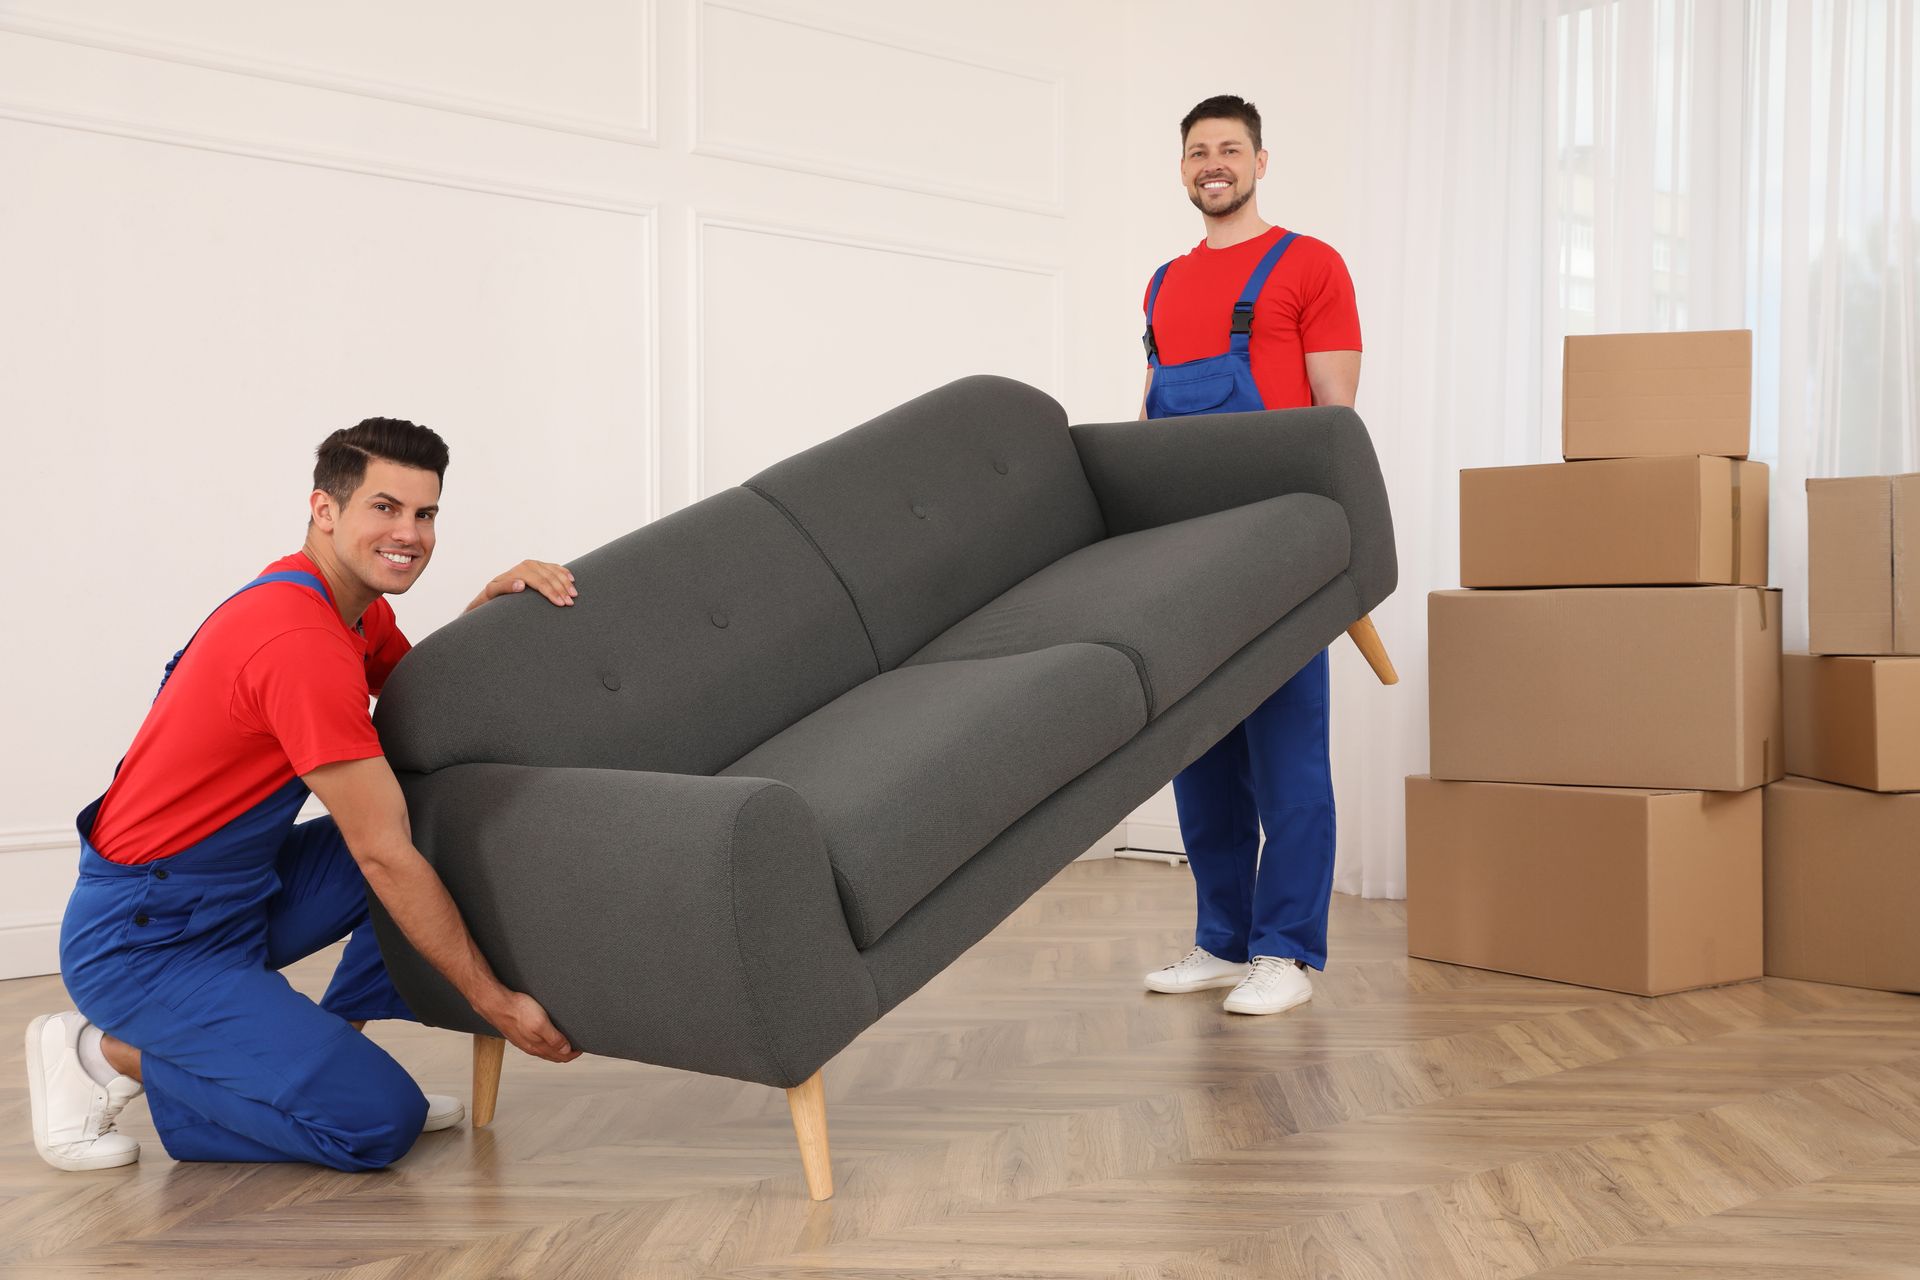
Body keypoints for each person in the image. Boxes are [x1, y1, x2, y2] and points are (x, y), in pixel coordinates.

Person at [26, 417, 583, 1174]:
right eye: (384, 508)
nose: (410, 533)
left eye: (425, 514)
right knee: (377, 1125)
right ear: (325, 509)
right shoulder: (299, 639)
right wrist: (495, 1001)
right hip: (147, 939)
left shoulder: (348, 605)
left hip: (236, 889)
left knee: (438, 819)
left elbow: (425, 705)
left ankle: (326, 1062)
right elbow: (381, 856)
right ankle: (101, 1053)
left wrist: (489, 607)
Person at [1136, 95, 1363, 1016]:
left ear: (1261, 162)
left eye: (1230, 149)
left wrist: (1327, 546)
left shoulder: (1311, 266)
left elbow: (1334, 421)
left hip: (1281, 542)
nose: (1213, 164)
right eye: (1198, 152)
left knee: (1286, 751)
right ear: (1184, 168)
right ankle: (1222, 942)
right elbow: (1151, 418)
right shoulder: (1160, 282)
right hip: (1188, 547)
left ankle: (1287, 953)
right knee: (1201, 749)